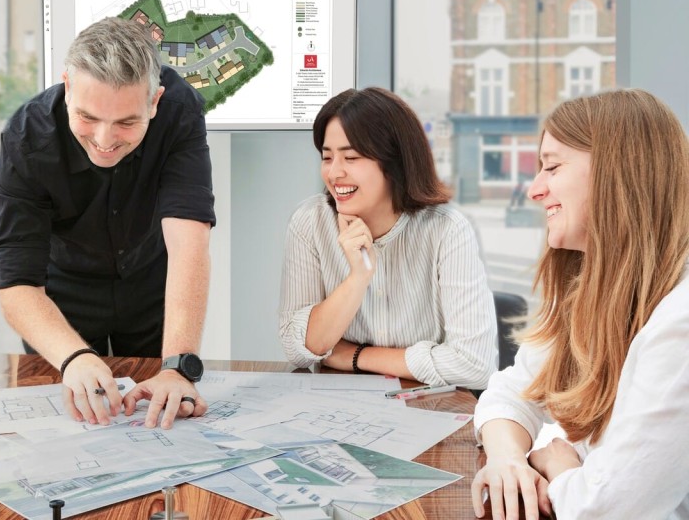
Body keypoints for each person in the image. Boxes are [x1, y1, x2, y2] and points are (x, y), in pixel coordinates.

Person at [470, 89, 689, 520]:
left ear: (617, 173)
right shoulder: (593, 289)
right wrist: (507, 460)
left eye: (552, 167)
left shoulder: (680, 321)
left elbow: (608, 509)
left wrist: (559, 463)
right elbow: (512, 391)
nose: (535, 190)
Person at [0, 17, 214, 430]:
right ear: (67, 86)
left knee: (165, 417)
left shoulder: (180, 111)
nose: (105, 139)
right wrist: (73, 358)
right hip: (62, 293)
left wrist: (179, 367)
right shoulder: (26, 138)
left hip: (151, 280)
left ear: (155, 101)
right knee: (67, 426)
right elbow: (17, 282)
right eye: (88, 117)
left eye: (127, 122)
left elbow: (189, 244)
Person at [278, 87, 496, 389]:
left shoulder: (448, 230)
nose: (334, 172)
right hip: (337, 408)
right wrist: (358, 277)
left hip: (429, 411)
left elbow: (474, 365)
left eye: (351, 157)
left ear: (393, 163)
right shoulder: (310, 222)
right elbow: (297, 347)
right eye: (327, 157)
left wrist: (355, 356)